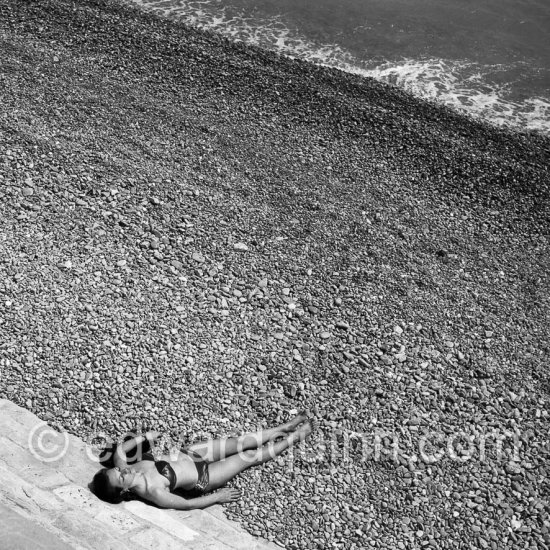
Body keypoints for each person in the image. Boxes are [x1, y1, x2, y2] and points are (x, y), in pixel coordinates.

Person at [93, 412, 312, 510]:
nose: (122, 471)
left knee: (240, 441)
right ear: (122, 491)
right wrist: (217, 497)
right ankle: (294, 438)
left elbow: (119, 452)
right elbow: (188, 504)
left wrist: (145, 437)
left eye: (116, 470)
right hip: (203, 478)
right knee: (249, 457)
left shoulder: (125, 467)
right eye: (120, 477)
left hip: (191, 454)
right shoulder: (154, 491)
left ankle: (283, 428)